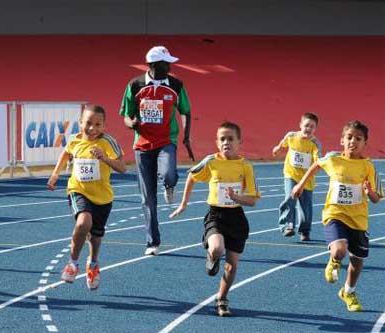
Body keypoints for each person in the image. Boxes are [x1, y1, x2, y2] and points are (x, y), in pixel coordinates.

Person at [170, 122, 260, 316]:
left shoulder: (245, 166)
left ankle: (222, 298)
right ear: (217, 142)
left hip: (236, 217)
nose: (226, 142)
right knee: (217, 248)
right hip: (216, 215)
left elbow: (252, 200)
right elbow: (192, 177)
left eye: (230, 139)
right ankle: (212, 256)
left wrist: (237, 198)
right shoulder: (211, 162)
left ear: (239, 142)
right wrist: (183, 204)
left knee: (232, 265)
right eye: (222, 139)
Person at [292, 120, 382, 312]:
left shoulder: (368, 166)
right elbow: (316, 165)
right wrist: (300, 185)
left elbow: (376, 198)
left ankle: (348, 291)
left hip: (358, 221)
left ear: (365, 143)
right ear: (342, 140)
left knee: (357, 263)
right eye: (349, 137)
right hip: (335, 214)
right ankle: (333, 261)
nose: (353, 141)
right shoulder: (333, 159)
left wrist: (369, 192)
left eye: (358, 139)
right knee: (340, 250)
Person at [120, 45, 193, 255]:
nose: (169, 66)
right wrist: (131, 123)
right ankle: (152, 242)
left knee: (169, 173)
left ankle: (169, 185)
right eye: (165, 63)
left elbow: (186, 111)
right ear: (152, 65)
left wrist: (186, 137)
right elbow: (126, 115)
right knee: (148, 198)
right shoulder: (135, 85)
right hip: (142, 146)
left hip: (166, 141)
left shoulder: (176, 84)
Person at [47, 104, 126, 290]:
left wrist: (105, 159)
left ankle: (93, 265)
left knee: (96, 237)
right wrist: (55, 175)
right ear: (80, 123)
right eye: (88, 123)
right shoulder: (74, 140)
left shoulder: (108, 142)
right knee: (83, 223)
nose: (92, 128)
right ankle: (73, 263)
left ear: (104, 126)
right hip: (78, 190)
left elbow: (122, 167)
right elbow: (65, 154)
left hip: (103, 197)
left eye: (98, 124)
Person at [272, 112, 321, 241]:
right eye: (306, 125)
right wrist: (277, 149)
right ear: (300, 125)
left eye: (312, 126)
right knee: (290, 198)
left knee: (306, 207)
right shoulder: (291, 136)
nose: (308, 129)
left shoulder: (315, 144)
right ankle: (287, 226)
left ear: (315, 129)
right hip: (291, 174)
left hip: (306, 180)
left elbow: (317, 161)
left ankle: (305, 231)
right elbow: (283, 143)